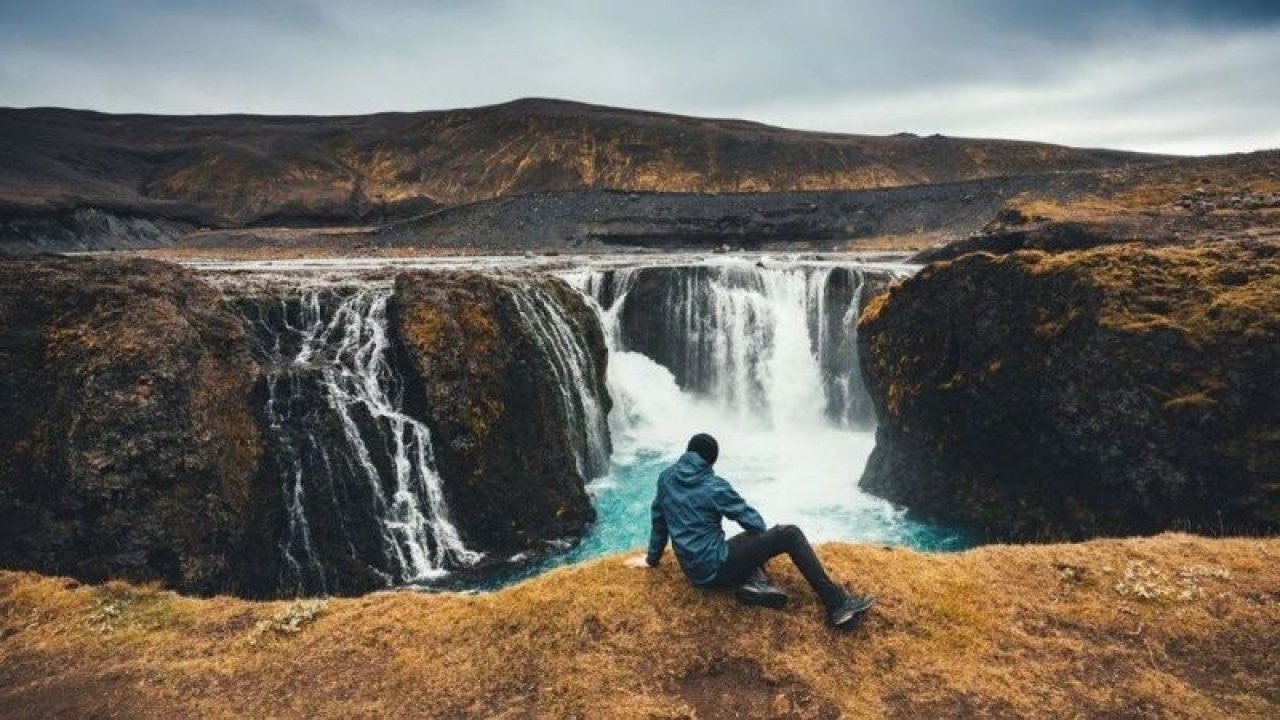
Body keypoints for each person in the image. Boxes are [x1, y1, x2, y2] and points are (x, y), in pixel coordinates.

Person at [627, 433, 875, 629]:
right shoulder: (714, 486)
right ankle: (837, 604)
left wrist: (651, 559)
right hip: (715, 566)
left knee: (743, 546)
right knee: (789, 533)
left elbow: (659, 521)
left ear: (688, 452)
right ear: (711, 461)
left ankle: (757, 584)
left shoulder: (665, 479)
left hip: (694, 572)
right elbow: (755, 524)